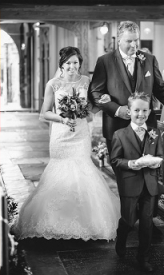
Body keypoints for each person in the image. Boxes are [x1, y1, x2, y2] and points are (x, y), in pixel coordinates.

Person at [13, 46, 120, 240]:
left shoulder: (87, 82)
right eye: (68, 63)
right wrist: (63, 119)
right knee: (60, 170)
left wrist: (95, 108)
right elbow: (44, 113)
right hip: (61, 135)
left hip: (80, 133)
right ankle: (55, 219)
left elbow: (94, 105)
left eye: (76, 63)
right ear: (61, 64)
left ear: (80, 64)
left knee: (82, 169)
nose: (72, 66)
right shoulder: (53, 84)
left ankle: (88, 221)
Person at [90, 21, 164, 155]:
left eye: (136, 40)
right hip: (116, 128)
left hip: (147, 128)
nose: (134, 45)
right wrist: (117, 110)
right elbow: (95, 93)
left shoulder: (149, 59)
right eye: (129, 41)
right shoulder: (105, 61)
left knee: (148, 172)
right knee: (122, 173)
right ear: (119, 40)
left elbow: (161, 89)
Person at [110, 92, 163, 272]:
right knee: (129, 220)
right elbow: (115, 160)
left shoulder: (155, 133)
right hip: (129, 184)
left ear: (149, 111)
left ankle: (143, 258)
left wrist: (156, 161)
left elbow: (160, 156)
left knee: (147, 224)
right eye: (137, 110)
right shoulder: (119, 134)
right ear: (129, 111)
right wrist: (132, 163)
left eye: (145, 110)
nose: (141, 114)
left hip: (149, 184)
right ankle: (122, 234)